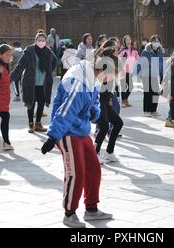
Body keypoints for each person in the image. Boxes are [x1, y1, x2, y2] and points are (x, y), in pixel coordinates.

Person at [41, 47, 114, 228]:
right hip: (67, 132)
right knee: (77, 172)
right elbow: (65, 111)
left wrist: (94, 113)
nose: (110, 80)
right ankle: (69, 213)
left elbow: (94, 102)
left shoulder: (92, 79)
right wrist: (53, 137)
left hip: (81, 129)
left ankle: (91, 209)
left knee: (94, 169)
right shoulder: (78, 81)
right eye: (111, 75)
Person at [11, 31, 56, 133]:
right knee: (30, 103)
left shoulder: (48, 52)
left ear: (46, 41)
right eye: (39, 40)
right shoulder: (29, 51)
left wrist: (48, 71)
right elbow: (20, 65)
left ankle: (38, 124)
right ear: (35, 41)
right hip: (30, 82)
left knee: (41, 103)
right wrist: (11, 78)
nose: (41, 42)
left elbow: (54, 61)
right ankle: (31, 124)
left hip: (43, 83)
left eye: (43, 40)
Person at [95, 44, 124, 163]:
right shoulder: (100, 68)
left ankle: (109, 152)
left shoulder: (110, 69)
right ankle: (94, 153)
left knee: (118, 123)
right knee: (104, 127)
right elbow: (100, 83)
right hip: (97, 101)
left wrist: (110, 97)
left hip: (106, 101)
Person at [137, 35, 164, 117]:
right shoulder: (146, 51)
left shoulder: (160, 52)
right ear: (151, 42)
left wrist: (162, 74)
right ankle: (146, 111)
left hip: (155, 75)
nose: (156, 43)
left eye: (158, 41)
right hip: (146, 75)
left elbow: (161, 64)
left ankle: (153, 110)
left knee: (155, 94)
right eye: (154, 41)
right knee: (147, 93)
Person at [119, 35, 139, 108]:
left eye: (129, 39)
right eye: (126, 40)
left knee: (131, 86)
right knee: (123, 86)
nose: (128, 41)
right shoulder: (123, 50)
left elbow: (138, 59)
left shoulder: (134, 50)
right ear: (124, 41)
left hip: (130, 71)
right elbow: (119, 59)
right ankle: (124, 102)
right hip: (123, 71)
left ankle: (125, 99)